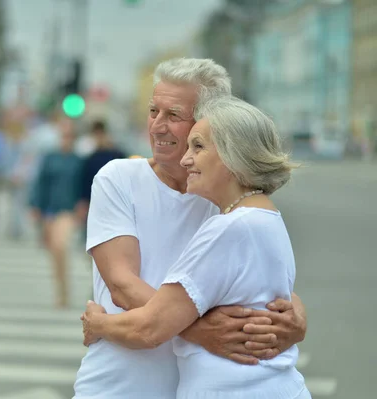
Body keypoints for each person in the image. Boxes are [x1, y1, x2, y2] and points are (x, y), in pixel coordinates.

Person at [72, 58, 307, 399]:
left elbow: (259, 281)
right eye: (154, 111)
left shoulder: (227, 203)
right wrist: (202, 332)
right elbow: (122, 287)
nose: (157, 126)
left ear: (210, 123)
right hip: (120, 385)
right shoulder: (119, 179)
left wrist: (296, 319)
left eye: (174, 116)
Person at [30, 121, 83, 308]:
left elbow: (83, 188)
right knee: (54, 253)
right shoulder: (50, 158)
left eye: (70, 136)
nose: (66, 140)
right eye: (64, 136)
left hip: (67, 212)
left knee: (61, 246)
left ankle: (64, 292)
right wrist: (35, 206)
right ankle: (60, 291)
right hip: (49, 211)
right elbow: (40, 183)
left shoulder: (78, 161)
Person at [75, 120, 126, 224]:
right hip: (95, 203)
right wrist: (83, 203)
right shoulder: (90, 159)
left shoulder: (118, 156)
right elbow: (85, 183)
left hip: (115, 202)